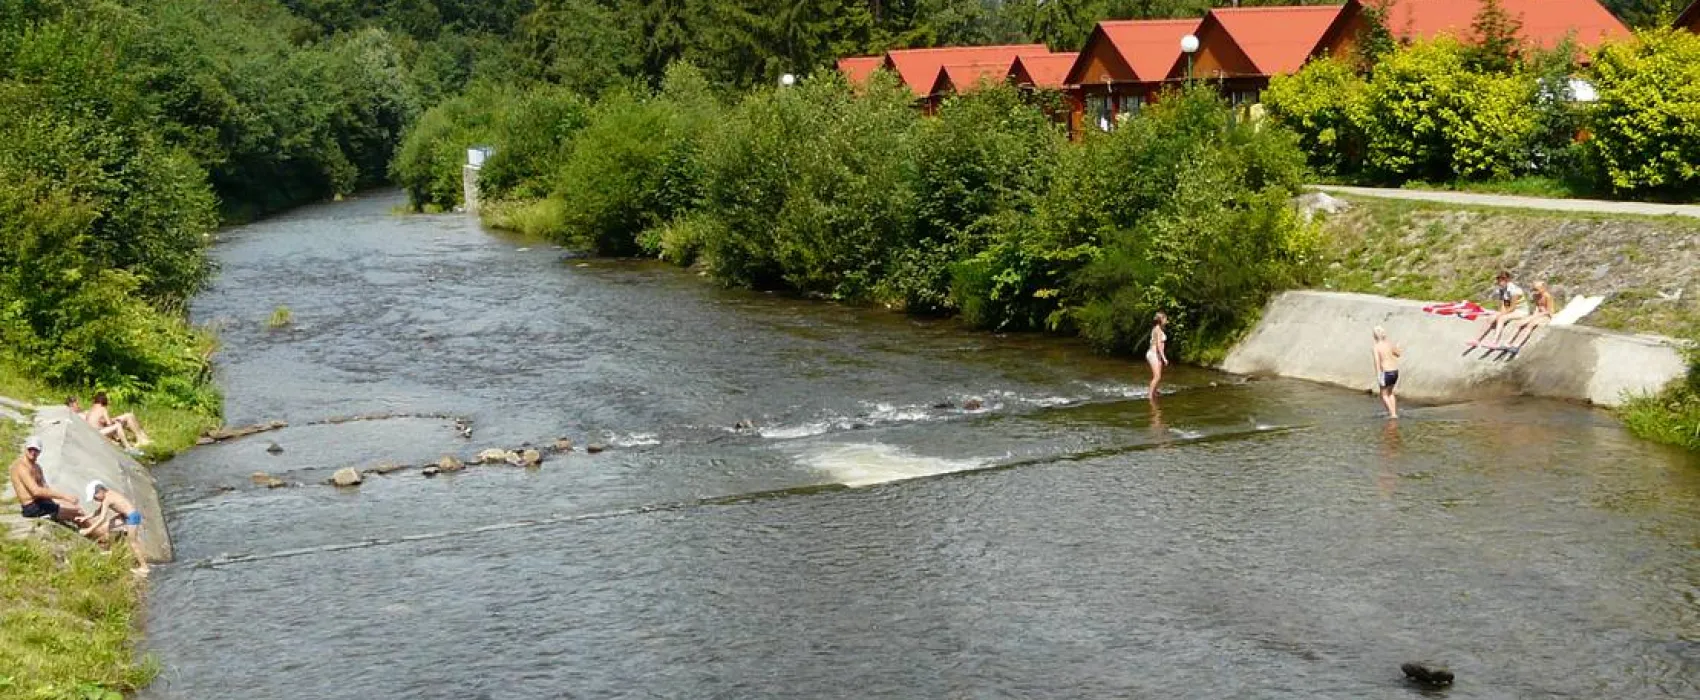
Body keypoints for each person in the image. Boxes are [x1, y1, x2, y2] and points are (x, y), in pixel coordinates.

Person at [78, 480, 149, 576]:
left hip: (132, 517)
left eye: (95, 497)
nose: (95, 500)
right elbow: (97, 512)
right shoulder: (107, 495)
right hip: (124, 516)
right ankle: (108, 550)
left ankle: (144, 568)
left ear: (100, 491)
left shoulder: (108, 499)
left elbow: (102, 518)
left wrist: (88, 530)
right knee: (104, 528)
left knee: (132, 542)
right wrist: (85, 518)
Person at [8, 436, 85, 524]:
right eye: (30, 449)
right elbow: (36, 491)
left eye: (36, 450)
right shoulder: (21, 467)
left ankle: (93, 531)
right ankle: (97, 533)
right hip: (32, 507)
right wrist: (65, 496)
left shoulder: (37, 467)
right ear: (25, 449)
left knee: (76, 508)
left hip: (41, 502)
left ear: (40, 451)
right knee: (78, 512)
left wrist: (64, 500)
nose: (33, 452)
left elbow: (46, 488)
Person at [1469, 271, 1527, 349]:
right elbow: (1505, 304)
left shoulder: (1514, 290)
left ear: (1508, 280)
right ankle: (1477, 339)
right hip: (1511, 310)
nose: (1500, 281)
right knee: (1491, 318)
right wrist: (1500, 312)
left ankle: (1494, 341)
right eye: (1499, 279)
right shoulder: (1503, 290)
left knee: (1501, 318)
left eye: (1503, 279)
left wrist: (1501, 314)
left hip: (1520, 311)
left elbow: (1512, 307)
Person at [84, 391, 150, 451]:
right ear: (103, 400)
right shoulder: (102, 408)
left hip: (93, 431)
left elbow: (100, 421)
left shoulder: (91, 408)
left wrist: (113, 420)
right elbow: (109, 424)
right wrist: (115, 421)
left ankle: (142, 437)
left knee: (128, 416)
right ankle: (138, 440)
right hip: (98, 432)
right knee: (126, 418)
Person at [1505, 281, 1555, 350]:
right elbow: (1537, 307)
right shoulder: (1535, 296)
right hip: (1538, 314)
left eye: (1537, 289)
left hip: (1546, 315)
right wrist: (1534, 315)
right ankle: (1507, 342)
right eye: (1534, 289)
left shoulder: (1547, 296)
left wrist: (1536, 316)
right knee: (1520, 323)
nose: (1535, 291)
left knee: (1530, 324)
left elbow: (1549, 311)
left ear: (1543, 288)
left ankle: (1517, 345)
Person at [1373, 326, 1403, 419]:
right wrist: (1397, 347)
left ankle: (1392, 414)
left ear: (1374, 336)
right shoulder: (1389, 344)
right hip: (1395, 371)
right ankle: (1393, 412)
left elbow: (1377, 362)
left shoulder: (1376, 347)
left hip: (1386, 372)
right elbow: (1398, 354)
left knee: (1384, 394)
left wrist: (1378, 375)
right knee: (1390, 392)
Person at [1146, 312, 1169, 397]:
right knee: (1157, 376)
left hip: (1157, 354)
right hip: (1153, 354)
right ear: (1161, 320)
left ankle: (1154, 392)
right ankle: (1150, 396)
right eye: (1165, 319)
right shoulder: (1158, 329)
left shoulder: (1159, 328)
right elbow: (1159, 345)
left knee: (1158, 376)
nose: (1166, 320)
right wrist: (1164, 358)